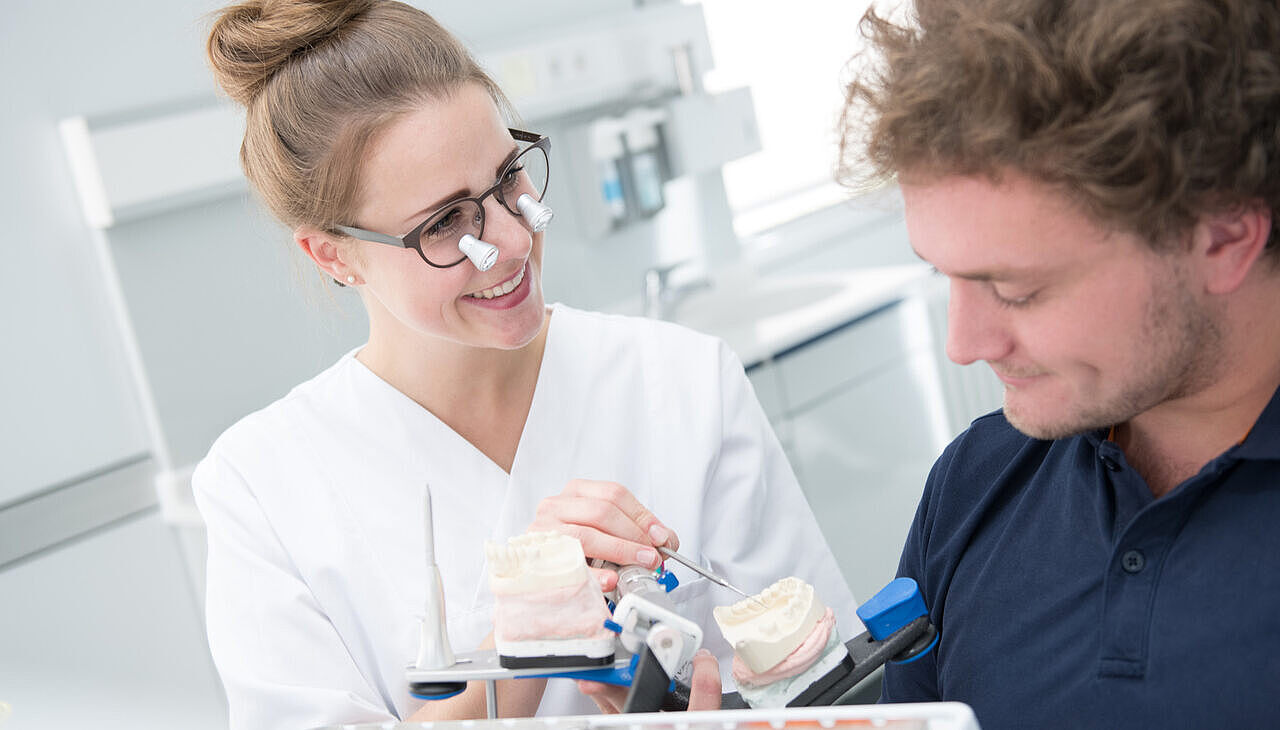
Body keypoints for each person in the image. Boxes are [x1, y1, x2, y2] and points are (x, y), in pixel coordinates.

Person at [194, 1, 857, 728]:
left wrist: (676, 712)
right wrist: (534, 629)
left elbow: (833, 695)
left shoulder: (684, 383)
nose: (511, 240)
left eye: (509, 176)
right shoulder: (263, 486)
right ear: (333, 254)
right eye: (446, 223)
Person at [830, 0, 1279, 727]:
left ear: (1223, 238)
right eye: (945, 275)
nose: (965, 343)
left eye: (1017, 289)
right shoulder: (975, 483)